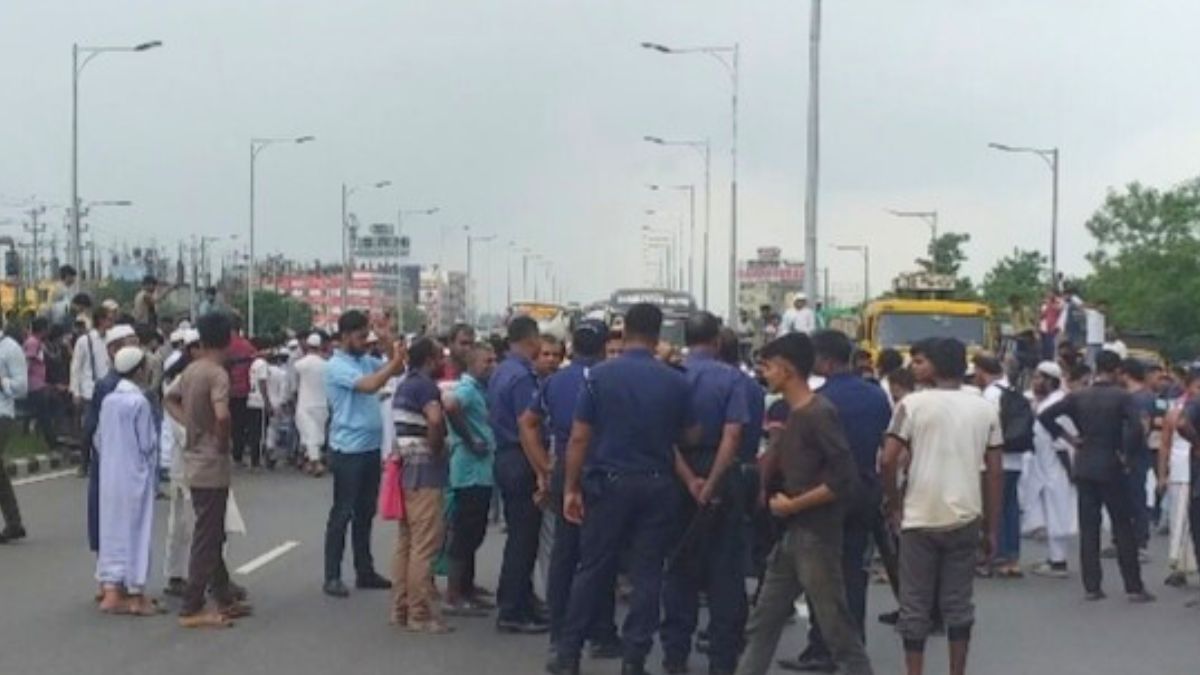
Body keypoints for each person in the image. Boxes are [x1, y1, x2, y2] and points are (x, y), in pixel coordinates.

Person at [547, 303, 699, 675]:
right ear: (658, 333)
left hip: (609, 484)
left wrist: (570, 488)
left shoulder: (599, 376)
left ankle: (568, 654)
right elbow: (691, 433)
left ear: (625, 330)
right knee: (648, 573)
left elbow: (580, 437)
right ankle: (635, 659)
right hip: (658, 483)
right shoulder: (675, 380)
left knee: (593, 568)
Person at [734, 333, 873, 675]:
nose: (763, 374)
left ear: (786, 369)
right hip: (794, 536)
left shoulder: (817, 413)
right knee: (762, 622)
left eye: (766, 367)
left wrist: (793, 506)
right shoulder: (796, 412)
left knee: (837, 628)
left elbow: (844, 479)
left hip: (816, 535)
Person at [880, 337, 1003, 675]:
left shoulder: (912, 405)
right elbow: (994, 472)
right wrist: (992, 527)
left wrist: (894, 504)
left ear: (935, 365)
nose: (914, 367)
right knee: (958, 605)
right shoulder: (984, 408)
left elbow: (888, 460)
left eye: (919, 362)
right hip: (966, 514)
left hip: (919, 516)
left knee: (915, 606)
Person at [779, 330, 891, 673]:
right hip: (865, 491)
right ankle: (852, 645)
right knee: (853, 572)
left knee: (820, 574)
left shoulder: (816, 401)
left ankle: (821, 647)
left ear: (824, 360)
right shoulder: (875, 397)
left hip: (825, 495)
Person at [521, 320, 620, 659]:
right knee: (602, 555)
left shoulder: (555, 381)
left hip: (566, 466)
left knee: (565, 553)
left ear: (572, 347)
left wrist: (543, 467)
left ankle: (560, 631)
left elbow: (527, 422)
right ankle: (601, 632)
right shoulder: (611, 379)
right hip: (604, 468)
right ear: (604, 345)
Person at [661, 311, 749, 675]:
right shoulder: (732, 379)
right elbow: (733, 435)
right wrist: (712, 482)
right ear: (716, 341)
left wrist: (688, 479)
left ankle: (675, 656)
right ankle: (722, 660)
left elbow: (663, 437)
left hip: (679, 474)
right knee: (724, 571)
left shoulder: (671, 377)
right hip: (722, 472)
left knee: (680, 565)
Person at [1037, 350, 1154, 602]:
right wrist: (1127, 454)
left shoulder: (1079, 396)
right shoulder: (1122, 397)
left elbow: (1045, 416)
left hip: (1085, 461)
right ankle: (1133, 585)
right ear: (1116, 370)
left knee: (1088, 527)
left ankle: (1092, 586)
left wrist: (1069, 438)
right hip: (1111, 462)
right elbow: (1135, 427)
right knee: (1123, 526)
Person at [165, 312, 249, 628]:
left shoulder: (191, 370)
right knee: (208, 535)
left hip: (194, 458)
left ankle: (223, 595)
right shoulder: (217, 374)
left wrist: (191, 425)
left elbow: (169, 398)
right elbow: (224, 415)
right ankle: (192, 604)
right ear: (228, 338)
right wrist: (221, 438)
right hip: (212, 461)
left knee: (210, 531)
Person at [321, 310, 406, 598]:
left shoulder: (364, 360)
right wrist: (392, 361)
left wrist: (388, 341)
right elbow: (370, 385)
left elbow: (396, 370)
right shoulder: (337, 366)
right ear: (344, 336)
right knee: (342, 512)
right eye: (359, 337)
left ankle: (364, 570)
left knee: (365, 513)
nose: (363, 341)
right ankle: (331, 575)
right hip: (348, 449)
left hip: (370, 446)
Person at [489, 315, 549, 633]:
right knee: (524, 538)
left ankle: (517, 598)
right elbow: (529, 428)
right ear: (532, 338)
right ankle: (513, 609)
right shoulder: (523, 377)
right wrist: (542, 470)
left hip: (506, 456)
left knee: (519, 534)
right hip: (520, 457)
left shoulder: (502, 371)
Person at [389, 337, 451, 632]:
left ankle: (401, 607)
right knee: (424, 546)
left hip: (406, 470)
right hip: (426, 470)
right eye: (440, 357)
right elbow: (436, 421)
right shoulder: (426, 387)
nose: (443, 362)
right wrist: (437, 447)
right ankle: (420, 613)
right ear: (429, 359)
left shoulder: (404, 385)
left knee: (407, 543)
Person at [95, 346, 160, 616]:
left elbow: (99, 439)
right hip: (134, 475)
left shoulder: (109, 401)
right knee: (136, 531)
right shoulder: (139, 402)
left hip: (109, 474)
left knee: (111, 530)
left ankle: (111, 590)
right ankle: (135, 594)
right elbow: (147, 442)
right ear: (139, 370)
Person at [444, 342, 499, 616]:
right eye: (485, 361)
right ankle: (454, 594)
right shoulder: (466, 388)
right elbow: (450, 406)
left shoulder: (481, 389)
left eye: (493, 360)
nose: (491, 365)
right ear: (472, 364)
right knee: (465, 534)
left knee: (475, 532)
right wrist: (469, 438)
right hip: (469, 471)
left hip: (481, 470)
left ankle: (467, 587)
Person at [972, 352, 1032, 578]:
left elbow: (985, 429)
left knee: (992, 509)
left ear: (981, 370)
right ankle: (1012, 556)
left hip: (995, 460)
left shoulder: (990, 395)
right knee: (1010, 508)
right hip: (1016, 458)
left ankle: (993, 556)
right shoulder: (1014, 392)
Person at [83, 323, 139, 556]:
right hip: (113, 461)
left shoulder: (131, 383)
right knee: (110, 516)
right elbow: (96, 429)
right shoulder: (109, 385)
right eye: (131, 345)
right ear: (114, 350)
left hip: (118, 461)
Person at [1027, 361, 1078, 579]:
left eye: (1040, 377)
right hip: (1044, 467)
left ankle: (1059, 563)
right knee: (1050, 512)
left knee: (1058, 513)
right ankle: (1054, 558)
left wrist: (1069, 473)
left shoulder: (1057, 403)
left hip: (1057, 468)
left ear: (1051, 381)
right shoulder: (1045, 402)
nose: (1036, 381)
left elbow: (1066, 441)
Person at [162, 330, 201, 597]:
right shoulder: (180, 381)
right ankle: (182, 575)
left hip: (196, 459)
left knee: (190, 522)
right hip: (189, 460)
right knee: (187, 522)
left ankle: (188, 574)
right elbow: (181, 427)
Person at [1158, 371, 1198, 586]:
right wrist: (1162, 475)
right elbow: (1165, 445)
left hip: (1194, 470)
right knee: (1180, 520)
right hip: (1181, 471)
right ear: (1188, 387)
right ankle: (1178, 566)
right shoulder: (1175, 412)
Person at [71, 306, 114, 476]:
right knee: (89, 427)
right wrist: (76, 391)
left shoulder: (112, 339)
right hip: (90, 390)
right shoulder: (85, 340)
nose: (112, 322)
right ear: (101, 320)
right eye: (109, 319)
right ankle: (84, 463)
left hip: (109, 389)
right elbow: (76, 366)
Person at [1119, 357, 1155, 554]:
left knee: (1136, 496)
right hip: (1128, 452)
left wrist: (1129, 450)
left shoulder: (1142, 397)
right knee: (1125, 497)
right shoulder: (1131, 396)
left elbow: (1143, 426)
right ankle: (1126, 539)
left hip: (1135, 454)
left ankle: (1140, 540)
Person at [0, 325, 27, 545]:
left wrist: (2, 382)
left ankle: (14, 522)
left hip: (2, 414)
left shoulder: (10, 349)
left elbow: (21, 387)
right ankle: (14, 523)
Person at [294, 332, 329, 476]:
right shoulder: (326, 365)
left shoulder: (301, 364)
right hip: (322, 403)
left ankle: (316, 463)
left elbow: (293, 382)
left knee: (309, 433)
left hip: (305, 403)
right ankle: (311, 460)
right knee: (318, 434)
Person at [225, 317, 255, 467]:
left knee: (225, 423)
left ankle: (225, 454)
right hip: (243, 391)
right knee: (240, 425)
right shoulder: (247, 346)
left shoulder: (224, 346)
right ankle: (238, 456)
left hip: (225, 391)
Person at [24, 317, 54, 449]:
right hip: (34, 383)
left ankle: (46, 438)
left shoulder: (38, 342)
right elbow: (28, 361)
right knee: (44, 413)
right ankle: (51, 441)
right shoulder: (32, 342)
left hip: (39, 382)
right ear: (42, 329)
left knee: (42, 412)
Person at [245, 339, 271, 469]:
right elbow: (263, 383)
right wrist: (267, 402)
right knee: (260, 432)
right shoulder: (262, 364)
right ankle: (257, 460)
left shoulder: (254, 363)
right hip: (259, 401)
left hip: (251, 399)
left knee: (253, 431)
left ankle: (253, 459)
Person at [1038, 291, 1064, 361]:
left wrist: (1050, 302)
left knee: (1051, 344)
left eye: (1050, 294)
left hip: (1053, 328)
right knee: (1045, 345)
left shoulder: (1057, 303)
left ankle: (1050, 358)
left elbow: (1059, 309)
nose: (1048, 295)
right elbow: (1043, 315)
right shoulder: (1048, 305)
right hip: (1046, 328)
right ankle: (1045, 358)